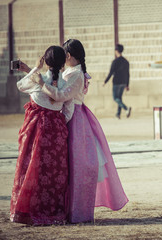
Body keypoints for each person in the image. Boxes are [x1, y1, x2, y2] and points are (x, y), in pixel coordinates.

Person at [32, 39, 128, 223]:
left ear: (68, 55)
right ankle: (66, 210)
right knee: (67, 167)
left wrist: (42, 85)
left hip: (74, 120)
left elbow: (62, 95)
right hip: (70, 117)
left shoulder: (76, 75)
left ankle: (77, 213)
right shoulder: (70, 72)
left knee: (77, 167)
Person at [10, 46, 73, 225]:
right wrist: (58, 122)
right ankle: (54, 213)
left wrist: (35, 68)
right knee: (54, 173)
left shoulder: (37, 80)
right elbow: (69, 111)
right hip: (57, 131)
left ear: (45, 61)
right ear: (63, 64)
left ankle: (29, 211)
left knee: (32, 169)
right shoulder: (64, 85)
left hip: (36, 129)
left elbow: (21, 85)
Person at [103, 44, 131, 119]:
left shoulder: (115, 61)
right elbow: (128, 74)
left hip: (116, 82)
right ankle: (118, 114)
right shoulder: (126, 62)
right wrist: (127, 85)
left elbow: (111, 72)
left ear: (116, 51)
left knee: (115, 98)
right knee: (119, 98)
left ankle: (126, 108)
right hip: (123, 82)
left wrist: (105, 81)